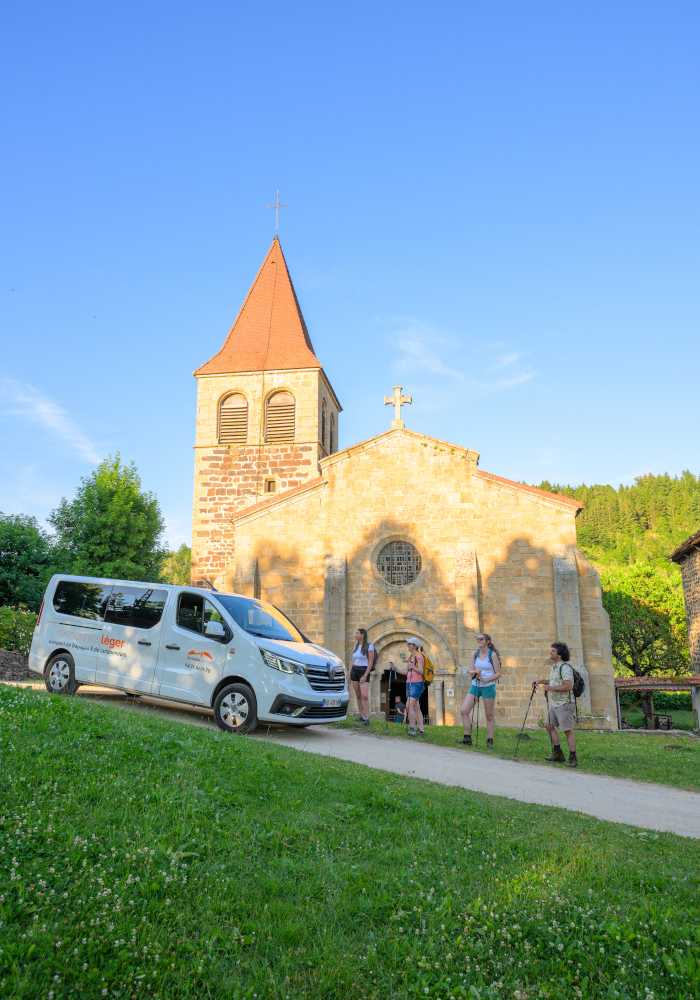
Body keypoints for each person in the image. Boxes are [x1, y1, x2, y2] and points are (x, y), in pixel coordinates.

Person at [533, 642, 578, 768]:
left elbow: (568, 686)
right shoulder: (555, 667)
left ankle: (573, 758)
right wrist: (542, 681)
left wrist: (551, 688)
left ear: (559, 654)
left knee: (568, 731)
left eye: (553, 651)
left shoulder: (565, 668)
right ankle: (558, 753)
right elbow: (555, 682)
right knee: (548, 725)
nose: (550, 652)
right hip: (556, 703)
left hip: (565, 703)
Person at [456, 632, 502, 749]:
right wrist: (475, 672)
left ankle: (490, 741)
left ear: (487, 642)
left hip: (488, 687)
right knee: (464, 711)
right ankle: (467, 738)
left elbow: (498, 673)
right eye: (478, 639)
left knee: (489, 715)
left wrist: (486, 680)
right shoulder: (474, 654)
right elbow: (471, 670)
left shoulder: (492, 655)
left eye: (481, 639)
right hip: (475, 686)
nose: (478, 640)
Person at [389, 638, 425, 736]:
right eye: (407, 643)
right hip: (409, 684)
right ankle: (421, 730)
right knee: (416, 707)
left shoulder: (419, 656)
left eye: (409, 643)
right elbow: (406, 672)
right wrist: (395, 669)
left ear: (415, 646)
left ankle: (412, 728)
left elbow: (421, 671)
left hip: (416, 684)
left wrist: (414, 668)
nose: (407, 645)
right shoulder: (410, 658)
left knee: (409, 705)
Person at [350, 628, 375, 726]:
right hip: (355, 671)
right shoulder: (356, 646)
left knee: (365, 695)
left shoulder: (369, 647)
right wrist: (349, 675)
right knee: (358, 695)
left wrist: (365, 676)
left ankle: (367, 718)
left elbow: (370, 662)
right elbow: (353, 661)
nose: (355, 635)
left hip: (364, 671)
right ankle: (361, 716)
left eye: (357, 633)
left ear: (362, 634)